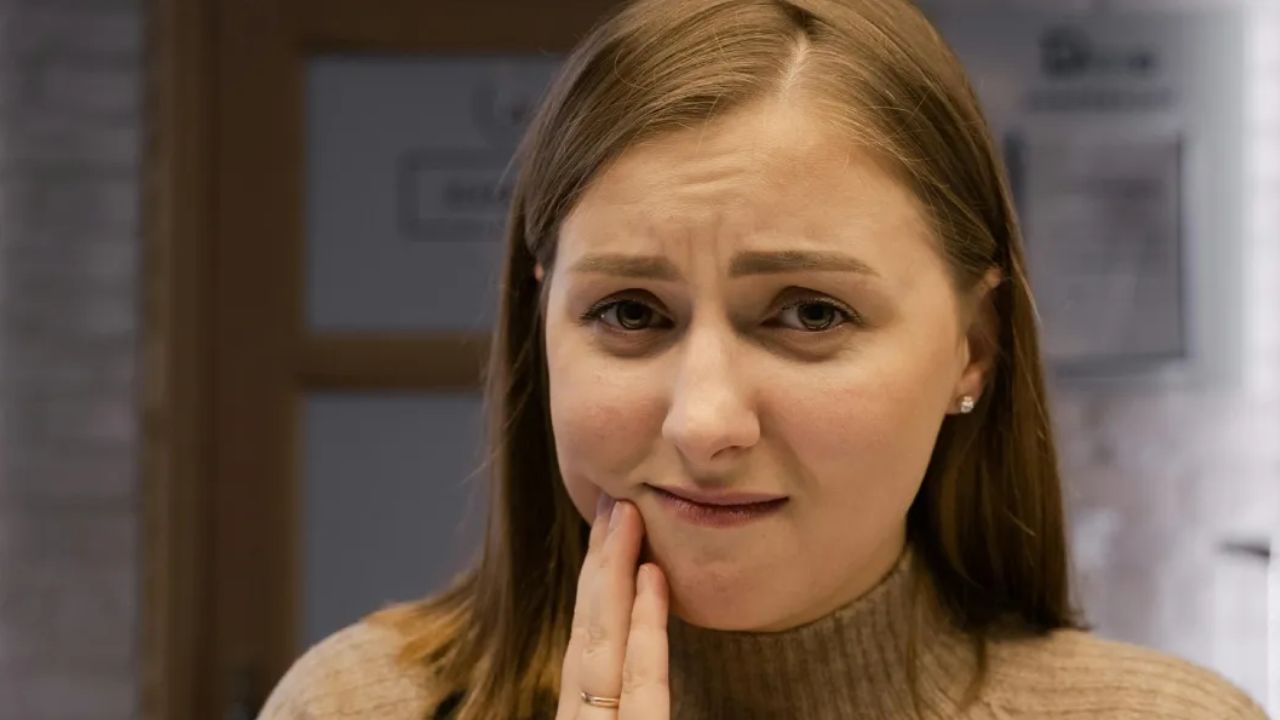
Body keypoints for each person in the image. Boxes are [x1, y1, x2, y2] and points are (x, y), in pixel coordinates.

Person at [259, 0, 1267, 718]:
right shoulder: (356, 705)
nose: (704, 424)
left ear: (974, 347)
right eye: (628, 311)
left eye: (811, 313)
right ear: (541, 324)